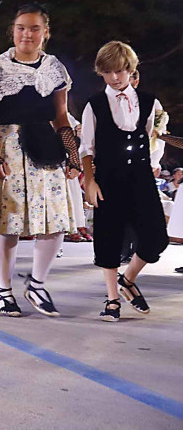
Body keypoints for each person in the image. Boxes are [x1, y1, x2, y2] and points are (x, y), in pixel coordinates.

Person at [0, 4, 80, 318]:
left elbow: (61, 116)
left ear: (45, 33)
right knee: (8, 226)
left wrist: (73, 156)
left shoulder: (54, 68)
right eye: (21, 27)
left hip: (45, 149)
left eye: (34, 28)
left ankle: (36, 283)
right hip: (7, 148)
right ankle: (5, 293)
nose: (27, 34)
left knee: (56, 223)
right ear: (13, 30)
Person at [81, 42, 168, 322]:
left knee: (156, 238)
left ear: (131, 70)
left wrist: (153, 164)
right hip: (108, 177)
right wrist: (90, 181)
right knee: (109, 236)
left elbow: (149, 137)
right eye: (108, 72)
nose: (115, 78)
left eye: (120, 71)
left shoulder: (149, 102)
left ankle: (128, 280)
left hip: (141, 176)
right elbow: (86, 148)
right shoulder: (94, 104)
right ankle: (112, 299)